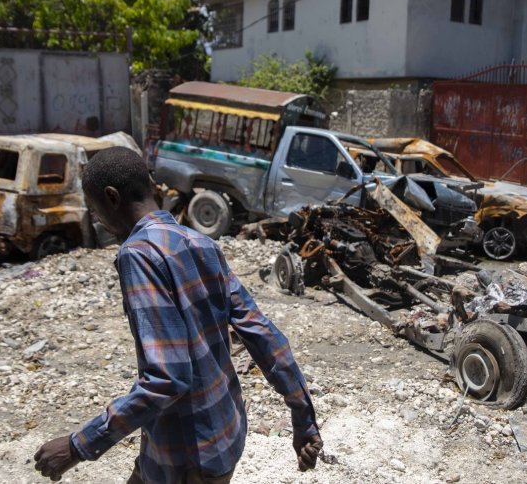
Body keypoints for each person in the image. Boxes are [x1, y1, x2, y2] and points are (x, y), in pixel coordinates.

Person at [34, 147, 322, 483]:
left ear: (111, 198)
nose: (101, 223)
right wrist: (303, 417)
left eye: (97, 213)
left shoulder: (138, 255)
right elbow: (262, 333)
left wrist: (77, 446)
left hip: (187, 454)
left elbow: (167, 379)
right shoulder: (202, 244)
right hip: (222, 433)